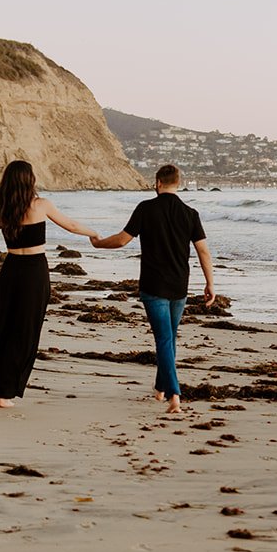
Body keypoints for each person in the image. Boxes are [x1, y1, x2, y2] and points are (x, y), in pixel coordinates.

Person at [0, 160, 103, 408]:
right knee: (25, 333)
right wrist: (94, 233)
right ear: (30, 180)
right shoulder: (41, 205)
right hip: (35, 274)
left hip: (11, 271)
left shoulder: (0, 209)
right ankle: (5, 392)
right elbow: (70, 225)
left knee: (2, 327)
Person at [90, 164, 215, 414]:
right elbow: (203, 251)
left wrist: (98, 244)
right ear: (178, 183)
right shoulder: (190, 213)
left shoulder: (146, 209)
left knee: (164, 338)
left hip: (153, 285)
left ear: (157, 182)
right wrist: (210, 282)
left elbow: (122, 239)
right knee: (168, 337)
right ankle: (161, 387)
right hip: (180, 286)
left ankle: (174, 395)